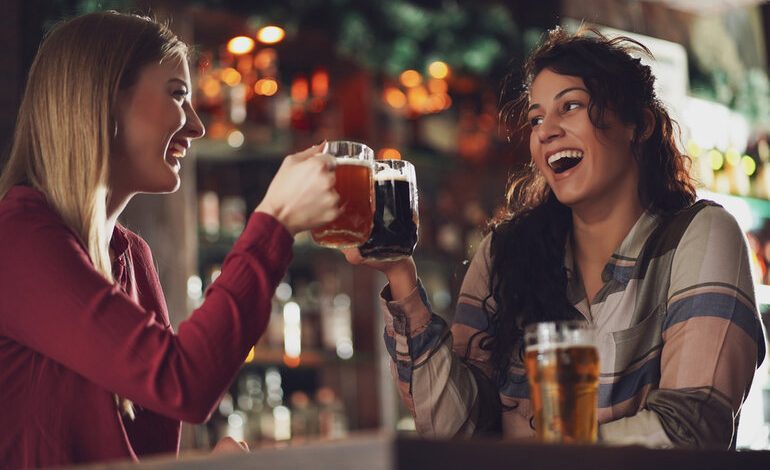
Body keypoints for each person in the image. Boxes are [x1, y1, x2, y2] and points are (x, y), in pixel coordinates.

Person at [344, 26, 766, 448]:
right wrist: (399, 273)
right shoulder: (505, 253)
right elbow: (456, 432)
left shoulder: (700, 237)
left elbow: (691, 425)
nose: (546, 131)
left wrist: (548, 457)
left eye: (571, 106)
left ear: (638, 124)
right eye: (536, 118)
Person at [0, 11, 340, 468]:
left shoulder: (132, 257)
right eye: (178, 95)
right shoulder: (15, 239)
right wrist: (274, 221)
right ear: (103, 99)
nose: (197, 126)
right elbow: (182, 383)